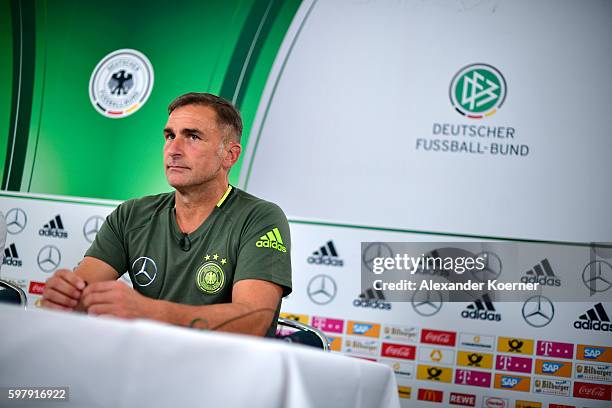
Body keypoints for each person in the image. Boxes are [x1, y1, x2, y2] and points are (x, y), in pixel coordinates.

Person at [41, 93, 291, 337]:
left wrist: (149, 311)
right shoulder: (132, 214)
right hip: (141, 367)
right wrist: (66, 295)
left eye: (193, 136)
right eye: (169, 136)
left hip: (226, 374)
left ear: (230, 155)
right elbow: (81, 293)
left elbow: (253, 320)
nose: (173, 149)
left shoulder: (261, 218)